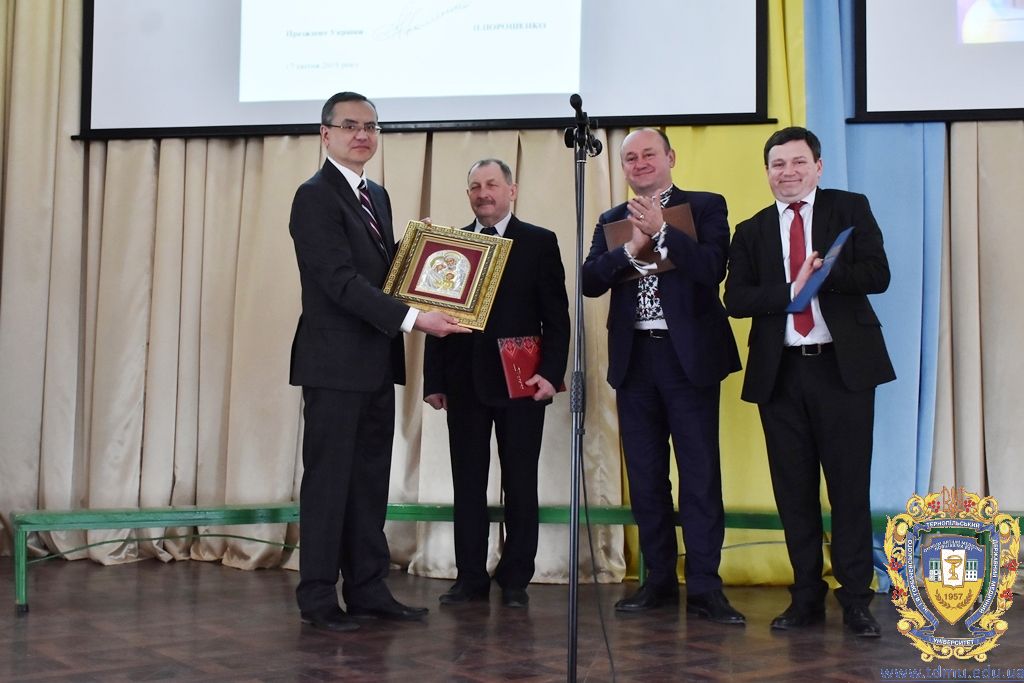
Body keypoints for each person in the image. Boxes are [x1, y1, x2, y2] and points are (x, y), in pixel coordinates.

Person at [288, 91, 468, 633]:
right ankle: (318, 597)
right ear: (326, 134)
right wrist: (415, 319)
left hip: (373, 362)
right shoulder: (314, 196)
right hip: (333, 365)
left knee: (368, 482)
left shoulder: (377, 195)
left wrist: (420, 254)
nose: (363, 134)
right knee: (329, 484)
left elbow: (381, 277)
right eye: (350, 125)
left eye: (370, 126)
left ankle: (367, 588)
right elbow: (339, 281)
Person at [724, 126, 895, 638]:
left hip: (843, 369)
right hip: (781, 373)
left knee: (848, 487)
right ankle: (805, 595)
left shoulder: (849, 208)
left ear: (818, 167)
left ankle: (857, 598)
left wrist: (824, 273)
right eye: (778, 164)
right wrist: (791, 288)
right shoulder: (751, 230)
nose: (788, 172)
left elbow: (878, 275)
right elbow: (736, 299)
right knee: (793, 490)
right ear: (767, 172)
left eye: (799, 162)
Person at [581, 128, 745, 625]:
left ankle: (705, 585)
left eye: (649, 154)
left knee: (699, 475)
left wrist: (663, 231)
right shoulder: (612, 219)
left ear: (670, 157)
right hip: (635, 361)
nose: (639, 163)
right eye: (630, 157)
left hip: (688, 359)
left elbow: (712, 268)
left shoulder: (706, 206)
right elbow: (590, 281)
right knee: (647, 477)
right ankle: (657, 581)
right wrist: (631, 249)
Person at [423, 159, 570, 608]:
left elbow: (557, 317)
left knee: (521, 482)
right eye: (475, 186)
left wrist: (552, 373)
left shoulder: (540, 242)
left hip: (521, 380)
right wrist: (434, 380)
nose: (483, 193)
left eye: (491, 184)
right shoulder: (452, 246)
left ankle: (515, 580)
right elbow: (436, 316)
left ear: (512, 190)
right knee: (467, 483)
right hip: (463, 382)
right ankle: (470, 577)